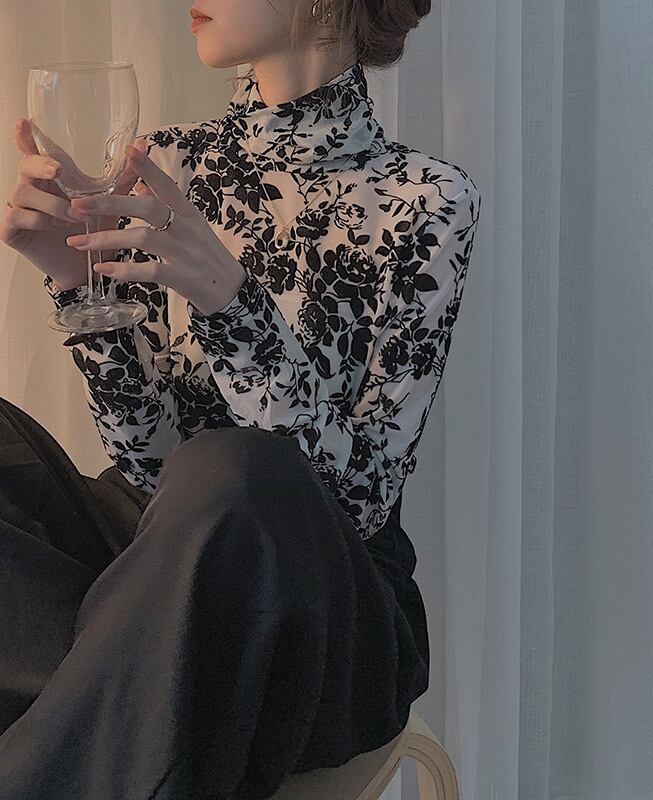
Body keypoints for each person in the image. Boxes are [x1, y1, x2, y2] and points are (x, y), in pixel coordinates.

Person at [0, 0, 481, 797]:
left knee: (231, 468)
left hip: (324, 613)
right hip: (156, 567)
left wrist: (234, 306)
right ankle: (122, 697)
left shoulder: (427, 201)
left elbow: (361, 500)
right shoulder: (168, 165)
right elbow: (149, 463)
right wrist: (76, 286)